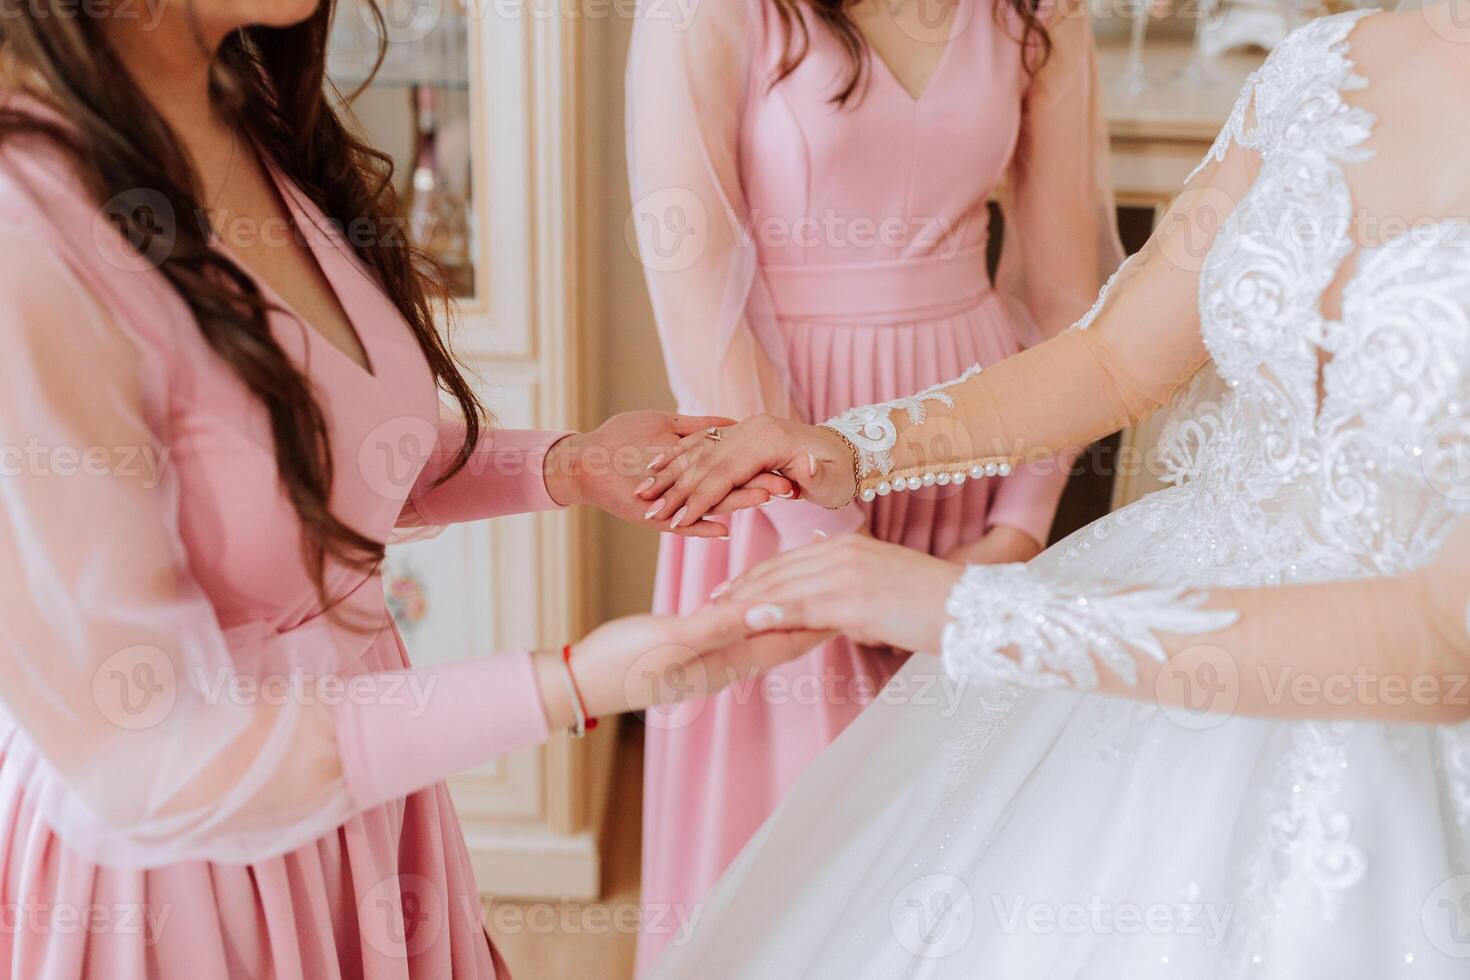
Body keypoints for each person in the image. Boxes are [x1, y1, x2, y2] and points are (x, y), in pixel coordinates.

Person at [635, 5, 1470, 975]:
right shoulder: (1323, 62)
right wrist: (853, 446)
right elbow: (1115, 359)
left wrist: (972, 609)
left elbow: (1443, 642)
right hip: (1175, 606)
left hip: (1378, 725)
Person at [0, 3, 800, 977]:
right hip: (188, 880)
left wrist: (572, 463)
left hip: (356, 799)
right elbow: (152, 754)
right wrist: (582, 680)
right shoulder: (27, 226)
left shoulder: (234, 104)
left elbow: (312, 456)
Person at [625, 0, 1120, 962]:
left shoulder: (1039, 13)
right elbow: (700, 299)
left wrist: (1017, 529)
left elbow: (1069, 300)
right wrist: (833, 553)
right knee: (791, 861)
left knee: (947, 848)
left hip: (973, 446)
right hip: (766, 467)